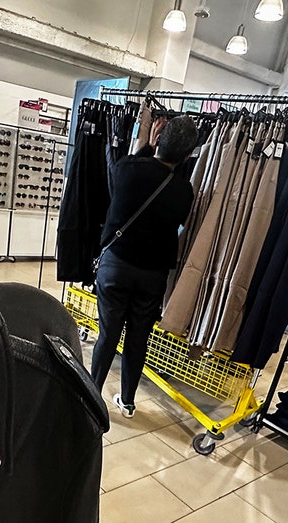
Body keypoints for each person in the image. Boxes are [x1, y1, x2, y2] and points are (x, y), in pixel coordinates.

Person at [90, 115, 198, 418]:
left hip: (116, 265)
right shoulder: (185, 191)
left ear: (159, 140)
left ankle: (92, 396)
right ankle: (127, 401)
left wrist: (147, 147)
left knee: (108, 334)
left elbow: (120, 179)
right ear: (189, 155)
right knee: (139, 338)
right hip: (153, 274)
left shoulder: (128, 168)